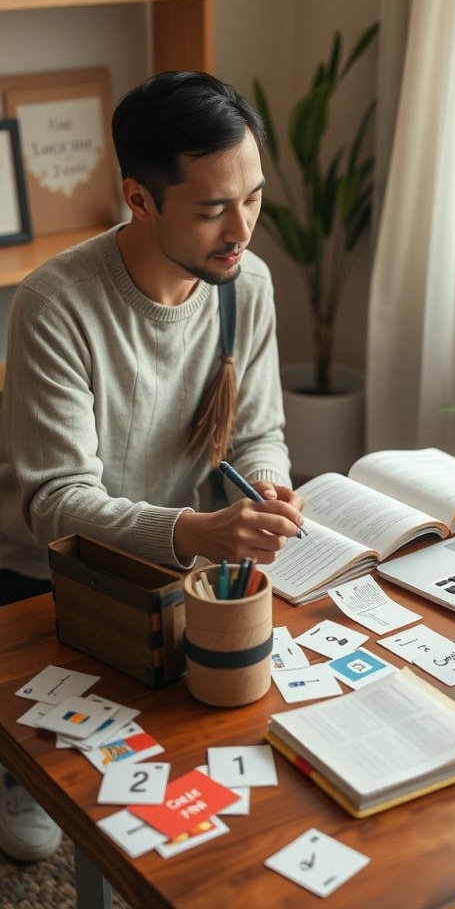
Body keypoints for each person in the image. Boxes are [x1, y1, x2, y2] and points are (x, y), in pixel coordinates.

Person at [0, 70, 305, 861]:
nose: (240, 229)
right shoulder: (55, 303)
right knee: (71, 816)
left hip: (186, 561)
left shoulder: (247, 284)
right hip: (48, 577)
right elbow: (57, 504)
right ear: (140, 199)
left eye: (253, 198)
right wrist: (199, 529)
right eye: (211, 210)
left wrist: (267, 484)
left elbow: (259, 432)